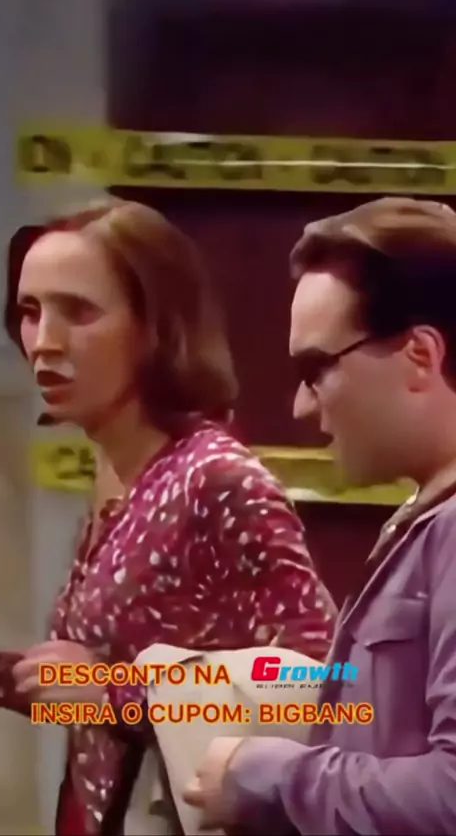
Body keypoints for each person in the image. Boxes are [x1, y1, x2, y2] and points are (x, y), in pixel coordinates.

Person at [0, 199, 336, 836]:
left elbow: (324, 682)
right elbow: (90, 677)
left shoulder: (215, 479)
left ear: (155, 328)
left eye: (78, 312)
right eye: (30, 312)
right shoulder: (118, 471)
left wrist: (113, 695)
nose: (44, 342)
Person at [184, 196, 456, 835]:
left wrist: (265, 774)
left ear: (421, 355)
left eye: (317, 369)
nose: (303, 407)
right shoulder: (425, 520)